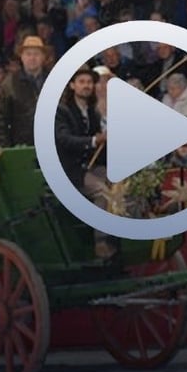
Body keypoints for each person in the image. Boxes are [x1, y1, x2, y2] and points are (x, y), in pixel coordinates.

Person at [54, 66, 115, 259]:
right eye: (81, 82)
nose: (86, 86)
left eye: (89, 82)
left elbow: (100, 149)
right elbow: (64, 140)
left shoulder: (92, 111)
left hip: (91, 167)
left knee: (119, 182)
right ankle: (100, 242)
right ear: (72, 86)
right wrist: (94, 140)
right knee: (102, 191)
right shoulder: (62, 111)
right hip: (70, 171)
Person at [0, 35, 48, 147]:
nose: (32, 58)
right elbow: (1, 119)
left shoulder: (53, 80)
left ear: (43, 57)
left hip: (51, 142)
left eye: (36, 54)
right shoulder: (9, 84)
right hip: (21, 144)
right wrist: (6, 148)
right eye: (28, 54)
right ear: (22, 57)